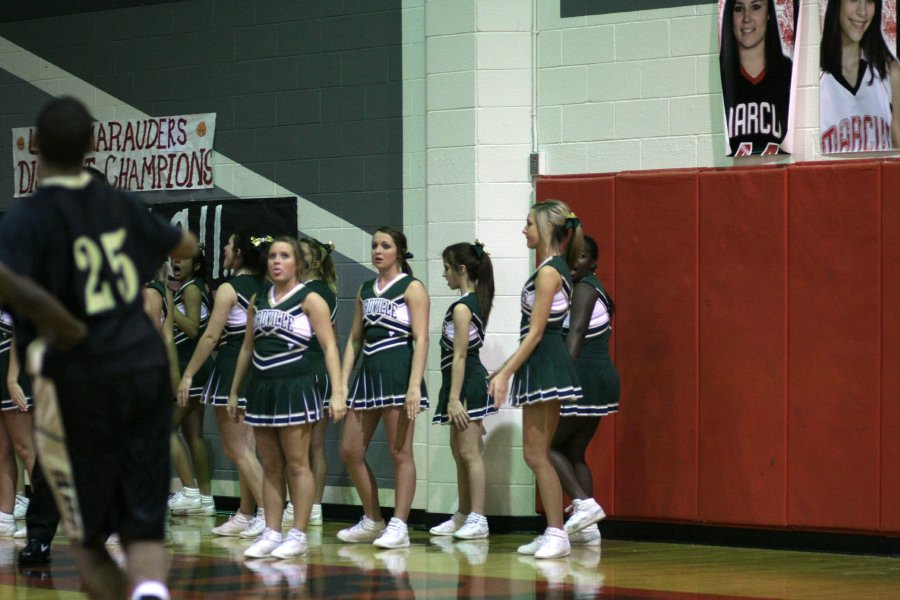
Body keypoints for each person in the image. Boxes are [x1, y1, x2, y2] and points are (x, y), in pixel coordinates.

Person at [0, 96, 195, 600]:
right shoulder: (121, 203)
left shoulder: (27, 218)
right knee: (144, 524)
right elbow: (185, 247)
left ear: (34, 147)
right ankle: (151, 589)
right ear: (93, 144)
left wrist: (61, 322)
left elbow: (8, 281)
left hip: (81, 376)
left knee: (85, 537)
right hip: (143, 366)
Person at [228, 237, 346, 559]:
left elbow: (329, 347)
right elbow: (247, 348)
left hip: (296, 386)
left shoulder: (310, 299)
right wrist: (235, 390)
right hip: (262, 388)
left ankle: (298, 534)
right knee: (271, 466)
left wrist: (337, 391)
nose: (277, 262)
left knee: (297, 463)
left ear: (297, 263)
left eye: (285, 256)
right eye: (273, 256)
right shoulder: (257, 300)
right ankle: (271, 531)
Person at [487, 200, 584, 560]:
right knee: (535, 453)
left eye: (528, 224)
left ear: (545, 227)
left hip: (546, 364)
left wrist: (504, 373)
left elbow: (537, 332)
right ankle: (553, 531)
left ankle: (558, 533)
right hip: (539, 363)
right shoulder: (548, 268)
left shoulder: (548, 272)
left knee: (537, 453)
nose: (524, 230)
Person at [337, 227, 429, 549]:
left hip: (398, 373)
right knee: (349, 451)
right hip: (368, 376)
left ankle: (400, 525)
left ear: (399, 252)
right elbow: (354, 339)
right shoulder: (365, 288)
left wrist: (414, 385)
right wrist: (341, 384)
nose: (377, 250)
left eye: (385, 245)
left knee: (400, 453)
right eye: (374, 245)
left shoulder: (412, 288)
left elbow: (421, 339)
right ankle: (373, 518)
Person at [176, 231, 267, 537]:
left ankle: (269, 517)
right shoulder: (265, 285)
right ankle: (246, 513)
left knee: (237, 449)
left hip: (233, 368)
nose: (225, 250)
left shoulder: (229, 288)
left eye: (228, 246)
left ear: (239, 252)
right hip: (260, 369)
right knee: (248, 449)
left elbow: (211, 336)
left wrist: (188, 374)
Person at [551, 235, 619, 548]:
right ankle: (588, 529)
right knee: (575, 451)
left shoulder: (584, 288)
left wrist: (559, 378)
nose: (573, 262)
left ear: (593, 262)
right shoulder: (594, 287)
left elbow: (576, 332)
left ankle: (584, 504)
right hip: (600, 377)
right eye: (570, 256)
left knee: (542, 447)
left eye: (581, 257)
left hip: (583, 378)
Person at [429, 241, 497, 541]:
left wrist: (455, 398)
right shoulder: (468, 303)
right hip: (458, 383)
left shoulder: (462, 307)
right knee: (459, 453)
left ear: (461, 269)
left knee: (470, 453)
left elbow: (460, 356)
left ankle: (478, 518)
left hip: (467, 385)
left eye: (447, 268)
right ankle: (463, 515)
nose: (444, 275)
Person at [168, 245, 215, 516]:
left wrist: (167, 305)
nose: (176, 261)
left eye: (183, 258)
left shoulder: (191, 289)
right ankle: (206, 500)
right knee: (193, 434)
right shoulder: (191, 287)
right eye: (174, 257)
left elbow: (193, 327)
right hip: (197, 368)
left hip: (190, 367)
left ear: (196, 265)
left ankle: (190, 491)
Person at [298, 237, 341, 528]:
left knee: (303, 447)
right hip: (320, 372)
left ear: (313, 262)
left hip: (307, 369)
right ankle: (313, 507)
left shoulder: (307, 293)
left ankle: (305, 506)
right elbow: (333, 338)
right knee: (316, 446)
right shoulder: (328, 291)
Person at [819, 0, 900, 152]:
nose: (862, 12)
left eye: (870, 1)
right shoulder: (811, 76)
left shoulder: (890, 72)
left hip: (879, 176)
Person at [719, 0, 794, 156]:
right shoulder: (720, 76)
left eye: (755, 7)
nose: (746, 18)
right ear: (729, 15)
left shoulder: (788, 73)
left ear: (768, 14)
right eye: (739, 9)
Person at [0, 319, 35, 538]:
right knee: (1, 449)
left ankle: (40, 517)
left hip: (12, 362)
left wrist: (12, 378)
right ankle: (5, 515)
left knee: (25, 447)